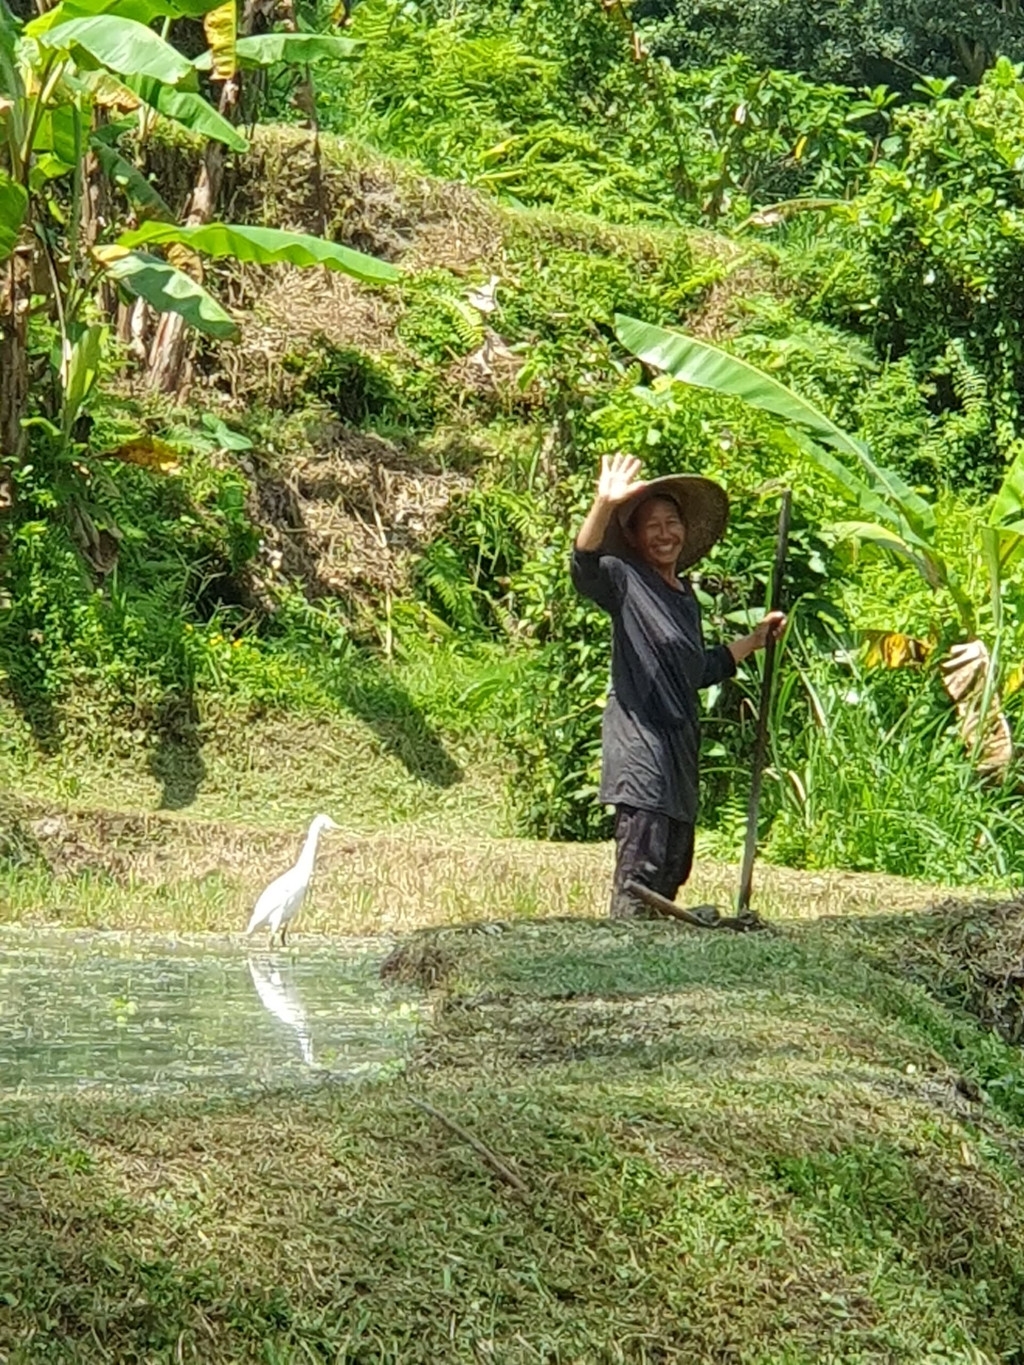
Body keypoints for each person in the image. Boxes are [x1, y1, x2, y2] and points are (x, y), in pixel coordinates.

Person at [571, 453, 786, 919]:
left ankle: (658, 956)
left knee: (674, 866)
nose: (664, 533)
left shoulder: (684, 598)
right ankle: (625, 954)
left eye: (672, 523)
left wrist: (753, 641)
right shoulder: (624, 580)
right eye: (652, 525)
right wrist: (603, 504)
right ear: (633, 536)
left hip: (679, 751)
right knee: (640, 871)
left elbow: (696, 671)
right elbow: (584, 567)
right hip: (640, 745)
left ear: (685, 530)